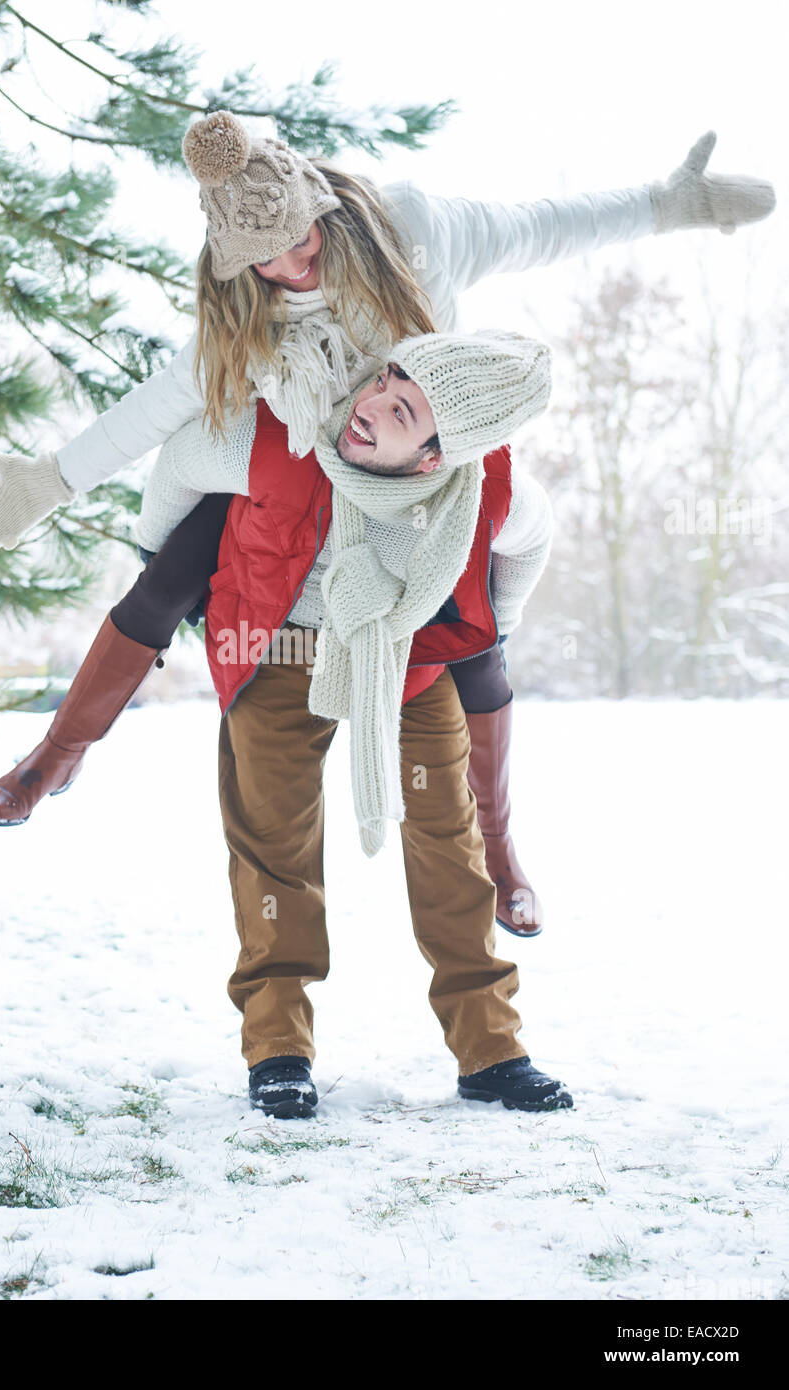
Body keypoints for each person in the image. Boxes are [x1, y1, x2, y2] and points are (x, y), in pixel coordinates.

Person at [0, 114, 775, 938]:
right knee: (171, 569)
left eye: (293, 237)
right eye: (259, 258)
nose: (285, 265)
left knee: (478, 640)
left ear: (317, 197)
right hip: (310, 459)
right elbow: (158, 408)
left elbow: (542, 228)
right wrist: (50, 480)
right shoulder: (243, 306)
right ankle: (57, 755)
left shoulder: (414, 228)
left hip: (423, 467)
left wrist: (666, 207)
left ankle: (501, 848)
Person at [137, 326, 565, 1117]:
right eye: (386, 381)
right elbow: (179, 462)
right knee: (273, 851)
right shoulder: (291, 436)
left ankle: (491, 1052)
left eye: (402, 410)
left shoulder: (490, 491)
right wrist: (158, 561)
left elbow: (533, 543)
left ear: (437, 458)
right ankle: (278, 1051)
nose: (371, 405)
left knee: (450, 850)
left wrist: (491, 625)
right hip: (279, 651)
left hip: (405, 662)